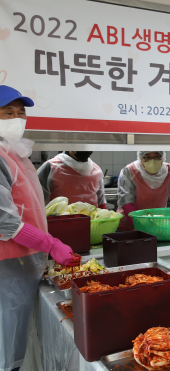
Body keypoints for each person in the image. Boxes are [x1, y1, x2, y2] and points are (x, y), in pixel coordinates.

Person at [0, 86, 79, 371]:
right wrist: (50, 244)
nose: (17, 118)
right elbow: (3, 220)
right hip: (6, 265)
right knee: (6, 344)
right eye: (8, 112)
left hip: (23, 262)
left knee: (18, 339)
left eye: (21, 113)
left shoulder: (15, 154)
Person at [117, 151, 170, 230]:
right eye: (147, 157)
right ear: (141, 159)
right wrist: (138, 224)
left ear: (162, 157)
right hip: (129, 225)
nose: (152, 161)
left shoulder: (169, 170)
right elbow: (126, 202)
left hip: (157, 223)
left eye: (157, 156)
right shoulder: (129, 171)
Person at [37, 151, 106, 208]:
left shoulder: (96, 170)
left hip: (92, 222)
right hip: (61, 222)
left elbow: (101, 203)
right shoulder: (51, 167)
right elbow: (37, 202)